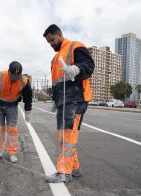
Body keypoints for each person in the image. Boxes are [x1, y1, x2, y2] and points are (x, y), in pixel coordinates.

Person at [43, 24, 94, 183]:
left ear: (59, 34)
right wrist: (55, 100)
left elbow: (89, 66)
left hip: (76, 99)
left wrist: (76, 69)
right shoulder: (55, 59)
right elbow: (57, 83)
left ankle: (63, 173)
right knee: (67, 137)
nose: (51, 44)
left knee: (66, 137)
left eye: (52, 40)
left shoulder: (75, 46)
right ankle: (75, 168)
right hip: (64, 102)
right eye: (48, 42)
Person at [0, 61, 33, 163]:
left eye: (17, 76)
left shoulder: (24, 81)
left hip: (12, 106)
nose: (15, 79)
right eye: (13, 76)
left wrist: (28, 111)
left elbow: (28, 97)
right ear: (9, 72)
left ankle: (12, 152)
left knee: (12, 129)